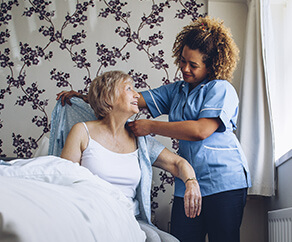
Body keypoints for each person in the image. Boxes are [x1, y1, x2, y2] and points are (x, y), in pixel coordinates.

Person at [57, 16, 252, 242]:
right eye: (183, 61)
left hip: (224, 181)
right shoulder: (177, 91)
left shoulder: (221, 89)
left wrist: (150, 126)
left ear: (211, 66)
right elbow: (127, 99)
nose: (185, 68)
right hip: (187, 181)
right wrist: (87, 97)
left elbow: (201, 130)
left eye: (194, 65)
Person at [60, 70, 202, 242]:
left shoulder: (140, 140)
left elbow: (177, 163)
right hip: (94, 215)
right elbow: (64, 180)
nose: (136, 95)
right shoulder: (82, 131)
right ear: (108, 97)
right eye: (129, 89)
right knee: (152, 239)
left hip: (130, 218)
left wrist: (191, 182)